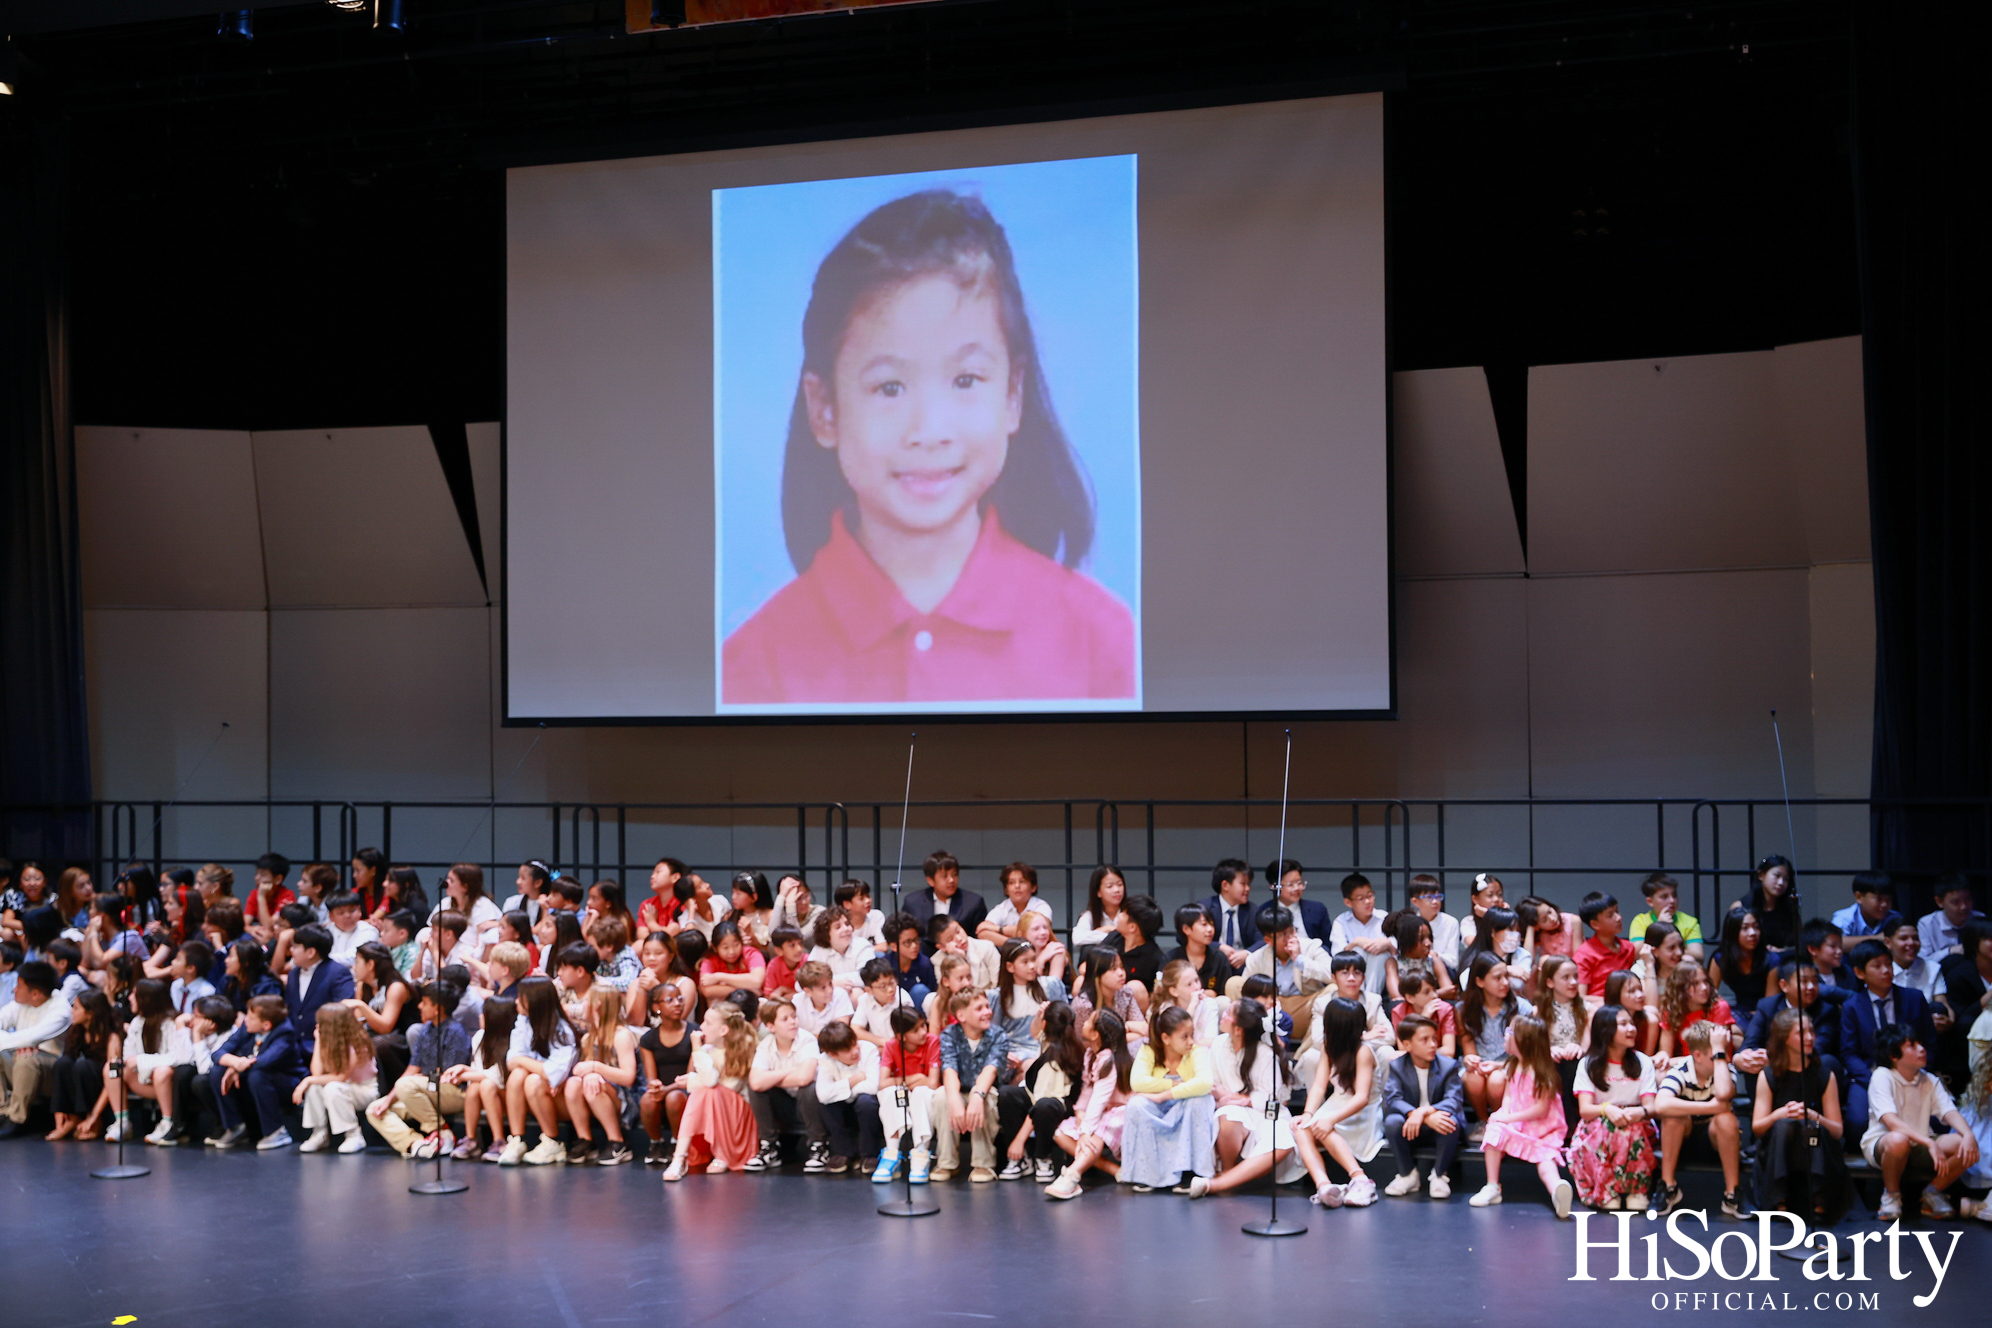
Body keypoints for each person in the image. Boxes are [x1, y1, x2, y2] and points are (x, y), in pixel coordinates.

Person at [720, 186, 1136, 705]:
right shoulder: (753, 664)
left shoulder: (1103, 640)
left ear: (1012, 395)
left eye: (965, 380)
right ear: (824, 409)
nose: (929, 429)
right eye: (889, 387)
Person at [1863, 1024, 1978, 1220]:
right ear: (1894, 1056)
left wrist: (1968, 1135)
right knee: (1898, 1140)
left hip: (1922, 1142)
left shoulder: (1929, 1080)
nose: (1921, 1049)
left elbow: (1949, 1111)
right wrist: (1929, 1142)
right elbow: (1891, 1122)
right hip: (1883, 1143)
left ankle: (1932, 1193)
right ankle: (1891, 1196)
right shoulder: (1882, 1076)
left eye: (1921, 1044)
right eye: (1912, 1046)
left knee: (1966, 1145)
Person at [1752, 1006, 1849, 1223]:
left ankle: (1819, 1198)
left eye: (1812, 1031)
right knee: (1785, 1125)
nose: (1810, 1038)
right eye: (1801, 1032)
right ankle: (1780, 1199)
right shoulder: (1768, 1075)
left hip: (1815, 1143)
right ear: (1785, 1039)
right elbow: (1758, 1127)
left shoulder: (1824, 1074)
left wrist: (1815, 1116)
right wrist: (1779, 1114)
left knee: (1810, 1127)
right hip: (1779, 1144)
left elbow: (1837, 1130)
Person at [1469, 1013, 1573, 1216]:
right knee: (1494, 1131)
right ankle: (1492, 1185)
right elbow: (1509, 1095)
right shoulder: (1513, 1065)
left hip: (1543, 1129)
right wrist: (1504, 1112)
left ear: (1523, 1040)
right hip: (1518, 1123)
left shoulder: (1542, 1073)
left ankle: (1557, 1191)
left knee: (1546, 1162)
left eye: (1509, 1032)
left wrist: (1509, 1118)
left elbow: (1541, 1109)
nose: (1505, 1035)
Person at [1840, 938, 1938, 1139]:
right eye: (1877, 966)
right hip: (1870, 1073)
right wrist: (1875, 1080)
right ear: (1860, 973)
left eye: (1887, 964)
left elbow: (1930, 1042)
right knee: (1857, 1124)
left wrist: (1914, 1070)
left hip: (1912, 1071)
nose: (1885, 970)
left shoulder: (1914, 998)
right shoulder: (1852, 1007)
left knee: (1937, 1122)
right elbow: (1849, 1053)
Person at [1290, 995, 1383, 1208]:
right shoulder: (1329, 1046)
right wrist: (1307, 1113)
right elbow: (1319, 1086)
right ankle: (1324, 1185)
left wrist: (1330, 1120)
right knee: (1303, 1127)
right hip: (1338, 1102)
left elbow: (1362, 1097)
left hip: (1362, 1110)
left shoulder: (1363, 1051)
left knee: (1322, 1128)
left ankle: (1360, 1179)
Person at [365, 983, 473, 1158]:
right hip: (427, 1090)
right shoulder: (426, 1030)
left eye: (424, 1002)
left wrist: (418, 1080)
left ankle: (441, 1131)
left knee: (407, 1085)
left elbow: (450, 1076)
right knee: (375, 1109)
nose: (419, 1006)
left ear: (437, 1008)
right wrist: (388, 1101)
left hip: (454, 1092)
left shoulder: (455, 1032)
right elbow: (411, 1070)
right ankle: (416, 1144)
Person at [1569, 1005, 1660, 1211]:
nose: (1631, 1029)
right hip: (1598, 1124)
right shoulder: (1588, 1064)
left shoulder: (1643, 1062)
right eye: (1623, 1024)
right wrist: (1606, 1109)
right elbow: (1585, 1110)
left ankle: (1636, 1190)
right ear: (1606, 1030)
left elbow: (1651, 1107)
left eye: (1631, 1023)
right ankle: (1606, 1190)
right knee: (1608, 1126)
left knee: (1632, 1128)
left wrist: (1640, 1112)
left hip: (1637, 1122)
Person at [1652, 1020, 1744, 1219]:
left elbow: (1724, 1092)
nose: (1722, 1058)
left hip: (1714, 1140)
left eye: (1723, 1053)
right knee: (1673, 1118)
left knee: (1726, 1119)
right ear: (1698, 1056)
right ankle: (1668, 1188)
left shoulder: (1724, 1070)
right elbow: (1660, 1105)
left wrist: (1719, 1055)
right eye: (1716, 1055)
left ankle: (1733, 1194)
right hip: (1682, 1139)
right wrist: (1709, 1107)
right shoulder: (1680, 1071)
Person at [930, 990, 1021, 1183]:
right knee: (941, 1096)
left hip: (985, 1091)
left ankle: (984, 1163)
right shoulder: (949, 1035)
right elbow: (949, 1069)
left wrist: (977, 1096)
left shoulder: (998, 1035)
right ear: (961, 1015)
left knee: (984, 1098)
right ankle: (946, 1162)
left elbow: (990, 1070)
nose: (987, 1012)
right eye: (979, 1008)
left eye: (987, 1006)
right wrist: (954, 1099)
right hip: (960, 1090)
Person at [662, 1003, 760, 1180]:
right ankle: (679, 1158)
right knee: (703, 1093)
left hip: (737, 1114)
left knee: (709, 1091)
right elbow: (707, 1081)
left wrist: (693, 1075)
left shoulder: (741, 1051)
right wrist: (695, 1077)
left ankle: (722, 1153)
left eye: (707, 1023)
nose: (701, 1027)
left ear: (723, 1030)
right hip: (713, 1107)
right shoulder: (707, 1051)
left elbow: (722, 1085)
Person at [1042, 1007, 1133, 1199]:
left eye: (1089, 1021)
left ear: (1095, 1034)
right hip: (1100, 1112)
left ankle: (1072, 1176)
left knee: (1095, 1134)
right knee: (1060, 1133)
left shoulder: (1109, 1060)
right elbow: (1088, 1091)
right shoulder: (1091, 1054)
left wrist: (1085, 1131)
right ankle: (1114, 1169)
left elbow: (1100, 1098)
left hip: (1121, 1112)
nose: (1083, 1023)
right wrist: (1079, 1114)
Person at [1378, 1011, 1465, 1201]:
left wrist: (1424, 1112)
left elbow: (1454, 1099)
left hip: (1437, 1125)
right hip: (1412, 1126)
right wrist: (1413, 1113)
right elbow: (1393, 1098)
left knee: (1450, 1121)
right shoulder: (1398, 1066)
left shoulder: (1448, 1066)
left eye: (1434, 1038)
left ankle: (1439, 1175)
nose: (1433, 1044)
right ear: (1407, 1045)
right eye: (1424, 1040)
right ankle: (1408, 1174)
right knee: (1393, 1121)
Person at [205, 994, 305, 1150]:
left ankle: (276, 1131)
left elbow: (265, 1061)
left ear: (266, 1025)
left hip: (287, 1083)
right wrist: (235, 1063)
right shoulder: (248, 1027)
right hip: (254, 1077)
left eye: (251, 1018)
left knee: (258, 1075)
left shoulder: (285, 1033)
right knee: (218, 1071)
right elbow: (218, 1053)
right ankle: (235, 1126)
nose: (245, 1020)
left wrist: (238, 1067)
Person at [498, 977, 577, 1166]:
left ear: (535, 1001)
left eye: (520, 997)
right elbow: (511, 1061)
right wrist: (528, 1065)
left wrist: (524, 1061)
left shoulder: (562, 1030)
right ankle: (517, 1140)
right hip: (538, 1093)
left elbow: (554, 1075)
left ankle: (553, 1141)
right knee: (518, 1076)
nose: (516, 1001)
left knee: (532, 1080)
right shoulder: (523, 1021)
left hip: (563, 1098)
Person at [745, 998, 826, 1173]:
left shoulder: (807, 1040)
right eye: (785, 1019)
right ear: (771, 1026)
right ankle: (769, 1147)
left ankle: (819, 1146)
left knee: (808, 1088)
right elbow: (756, 1082)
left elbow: (804, 1078)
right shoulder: (766, 1046)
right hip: (787, 1104)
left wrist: (771, 1077)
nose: (793, 1022)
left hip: (814, 1106)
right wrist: (790, 1071)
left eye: (794, 1016)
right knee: (755, 1090)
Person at [563, 983, 639, 1165]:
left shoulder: (621, 1036)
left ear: (597, 1005)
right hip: (601, 1092)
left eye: (586, 1002)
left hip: (625, 1098)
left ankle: (618, 1142)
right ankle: (585, 1139)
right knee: (574, 1083)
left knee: (592, 1087)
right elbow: (581, 1070)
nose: (582, 1007)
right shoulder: (588, 1038)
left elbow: (628, 1078)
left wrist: (596, 1068)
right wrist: (589, 1072)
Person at [0, 961, 71, 1139]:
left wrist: (21, 1044)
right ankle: (3, 1111)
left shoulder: (61, 1010)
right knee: (20, 1056)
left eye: (18, 986)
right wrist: (18, 1045)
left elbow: (32, 1038)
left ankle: (17, 1119)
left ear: (35, 994)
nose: (13, 990)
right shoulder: (20, 1002)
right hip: (19, 1062)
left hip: (51, 1073)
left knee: (28, 1059)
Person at [873, 1004, 942, 1184]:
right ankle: (892, 1153)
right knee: (890, 1092)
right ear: (901, 1036)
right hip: (903, 1095)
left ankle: (921, 1153)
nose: (923, 1032)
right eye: (916, 1030)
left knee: (921, 1091)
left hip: (925, 1095)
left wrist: (912, 1080)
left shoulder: (932, 1041)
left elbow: (933, 1083)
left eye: (923, 1025)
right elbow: (883, 1083)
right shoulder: (891, 1046)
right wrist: (914, 1078)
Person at [1457, 951, 1518, 1133]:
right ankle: (1483, 1121)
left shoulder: (1520, 1008)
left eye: (1506, 976)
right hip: (1481, 1064)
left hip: (1509, 1064)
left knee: (1496, 1081)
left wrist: (1498, 1065)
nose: (1505, 983)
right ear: (1479, 982)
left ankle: (1500, 1121)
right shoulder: (1463, 1010)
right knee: (1474, 1078)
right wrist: (1470, 1059)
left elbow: (1525, 1054)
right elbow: (1468, 1044)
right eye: (1497, 978)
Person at [813, 1019, 882, 1174]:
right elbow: (823, 1095)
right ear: (832, 1054)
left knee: (866, 1102)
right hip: (843, 1109)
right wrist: (854, 1080)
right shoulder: (824, 1060)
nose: (855, 1051)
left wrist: (840, 1090)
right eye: (847, 1050)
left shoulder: (868, 1049)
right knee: (828, 1105)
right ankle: (844, 1152)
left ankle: (868, 1155)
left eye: (854, 1043)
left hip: (866, 1108)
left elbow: (873, 1086)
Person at [636, 979, 693, 1165]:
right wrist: (655, 1086)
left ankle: (678, 1144)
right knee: (647, 1099)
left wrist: (667, 1090)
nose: (677, 1003)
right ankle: (656, 1143)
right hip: (664, 1090)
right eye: (670, 1000)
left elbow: (691, 1076)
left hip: (686, 1089)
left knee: (674, 1097)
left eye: (679, 998)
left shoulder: (695, 1032)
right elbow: (651, 1076)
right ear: (656, 1007)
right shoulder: (648, 1039)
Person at [1655, 957, 1739, 1061]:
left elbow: (1715, 1057)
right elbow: (1665, 1052)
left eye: (1705, 981)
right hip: (1686, 1066)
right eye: (1695, 983)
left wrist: (1671, 1062)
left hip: (1716, 1065)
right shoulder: (1672, 1009)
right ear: (1681, 988)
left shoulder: (1720, 1007)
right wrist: (1662, 1057)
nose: (1704, 987)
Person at [902, 850, 988, 941]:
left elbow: (979, 939)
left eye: (954, 875)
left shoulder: (973, 902)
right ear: (930, 880)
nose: (951, 880)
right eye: (944, 876)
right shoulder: (913, 902)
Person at [1328, 872, 1390, 993]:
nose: (1368, 901)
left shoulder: (1384, 918)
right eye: (1361, 899)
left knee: (1381, 955)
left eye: (1370, 895)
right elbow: (1338, 956)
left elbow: (1397, 950)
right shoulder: (1341, 921)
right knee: (1357, 952)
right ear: (1348, 902)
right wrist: (1355, 943)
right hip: (1351, 972)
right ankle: (1358, 996)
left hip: (1380, 971)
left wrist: (1387, 943)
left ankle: (1370, 997)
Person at [1709, 906, 1774, 1018]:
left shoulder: (1772, 960)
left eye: (1756, 927)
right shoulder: (1721, 958)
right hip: (1739, 1014)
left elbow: (1769, 1007)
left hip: (1765, 1017)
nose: (1753, 933)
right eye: (1745, 928)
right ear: (1733, 932)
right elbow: (1709, 996)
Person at [1627, 872, 1705, 960]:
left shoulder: (1690, 922)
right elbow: (1636, 954)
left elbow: (1698, 955)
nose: (1672, 900)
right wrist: (1659, 925)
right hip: (1649, 967)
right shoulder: (1640, 921)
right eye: (1664, 897)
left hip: (1678, 968)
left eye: (1674, 895)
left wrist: (1668, 951)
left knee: (1689, 960)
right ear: (1650, 902)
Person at [1575, 891, 1637, 997]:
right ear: (1595, 924)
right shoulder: (1583, 955)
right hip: (1598, 1008)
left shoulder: (1628, 947)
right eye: (1610, 915)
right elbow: (1581, 997)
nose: (1619, 917)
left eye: (1617, 911)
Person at [1384, 909, 1454, 1002]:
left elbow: (1450, 991)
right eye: (1421, 938)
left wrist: (1416, 998)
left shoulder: (1433, 959)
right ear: (1407, 941)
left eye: (1429, 937)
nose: (1428, 943)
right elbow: (1397, 997)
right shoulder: (1393, 963)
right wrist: (1435, 994)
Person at [1166, 903, 1234, 995]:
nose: (1210, 929)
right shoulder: (1171, 958)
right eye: (1204, 924)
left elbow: (1224, 994)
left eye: (1211, 924)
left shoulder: (1219, 958)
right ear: (1186, 929)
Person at [977, 863, 1052, 945]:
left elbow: (1032, 931)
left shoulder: (1041, 906)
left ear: (1033, 887)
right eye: (1011, 882)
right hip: (1011, 955)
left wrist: (999, 930)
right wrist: (1015, 946)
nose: (1017, 886)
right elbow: (982, 932)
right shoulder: (1002, 908)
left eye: (1022, 881)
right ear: (1006, 890)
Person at [1919, 872, 1986, 960]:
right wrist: (1949, 951)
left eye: (1968, 899)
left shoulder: (1979, 919)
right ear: (1939, 901)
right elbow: (1923, 961)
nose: (1964, 906)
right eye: (1956, 902)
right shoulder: (1927, 924)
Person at [1392, 971, 1459, 1058]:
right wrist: (1423, 1019)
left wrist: (1418, 1053)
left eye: (1434, 990)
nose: (1434, 995)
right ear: (1410, 998)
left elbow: (1449, 1051)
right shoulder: (1399, 1012)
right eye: (1426, 992)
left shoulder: (1445, 1009)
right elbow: (1403, 1049)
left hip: (1438, 1061)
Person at [697, 920, 766, 1003]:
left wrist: (719, 977)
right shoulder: (709, 961)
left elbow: (756, 981)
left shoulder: (751, 953)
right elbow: (707, 991)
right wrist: (749, 989)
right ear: (715, 948)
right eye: (725, 948)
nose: (732, 952)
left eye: (736, 945)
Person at [1114, 895, 1167, 1000]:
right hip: (1108, 993)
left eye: (1123, 913)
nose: (1119, 915)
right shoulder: (1114, 937)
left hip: (1138, 1008)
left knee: (1134, 987)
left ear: (1132, 927)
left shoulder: (1154, 958)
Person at [809, 909, 876, 991]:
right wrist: (833, 983)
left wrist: (829, 982)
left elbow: (869, 977)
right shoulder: (819, 950)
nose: (846, 929)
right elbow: (803, 982)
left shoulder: (862, 944)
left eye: (847, 924)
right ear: (826, 935)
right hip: (828, 998)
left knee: (856, 992)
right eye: (838, 927)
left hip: (859, 996)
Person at [1747, 855, 1803, 952]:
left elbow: (1799, 944)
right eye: (1777, 876)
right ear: (1761, 875)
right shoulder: (1742, 906)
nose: (1781, 883)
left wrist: (1781, 951)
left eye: (1786, 879)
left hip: (1783, 961)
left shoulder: (1789, 908)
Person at [1408, 875, 1463, 971]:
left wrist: (1433, 955)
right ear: (1415, 902)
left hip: (1443, 970)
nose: (1435, 901)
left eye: (1438, 897)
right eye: (1429, 897)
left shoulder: (1450, 922)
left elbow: (1453, 961)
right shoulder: (1409, 923)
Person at [1076, 865, 1132, 953]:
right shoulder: (1090, 915)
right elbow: (1077, 938)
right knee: (1087, 950)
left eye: (1120, 884)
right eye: (1110, 886)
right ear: (1098, 892)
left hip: (1127, 959)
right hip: (1103, 963)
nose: (1117, 890)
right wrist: (1107, 930)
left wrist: (1104, 932)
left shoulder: (1130, 912)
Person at [1883, 916, 1943, 997]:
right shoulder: (1880, 972)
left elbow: (1942, 1004)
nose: (1911, 943)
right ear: (1888, 943)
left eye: (1915, 938)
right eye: (1903, 938)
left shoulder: (1932, 968)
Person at [1831, 871, 1901, 940]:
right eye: (1879, 899)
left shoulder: (1894, 918)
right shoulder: (1845, 918)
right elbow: (1836, 943)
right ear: (1859, 897)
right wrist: (1877, 938)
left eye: (1888, 899)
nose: (1884, 904)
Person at [728, 872, 777, 952]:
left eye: (738, 893)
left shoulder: (770, 916)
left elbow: (774, 952)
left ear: (754, 897)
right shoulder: (730, 915)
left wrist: (750, 934)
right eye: (733, 892)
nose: (733, 897)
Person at [1021, 911, 1069, 985]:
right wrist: (1041, 958)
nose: (1043, 932)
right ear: (1022, 933)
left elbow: (1053, 987)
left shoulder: (1057, 950)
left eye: (1045, 927)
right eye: (1036, 929)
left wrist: (1040, 961)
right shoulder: (1019, 954)